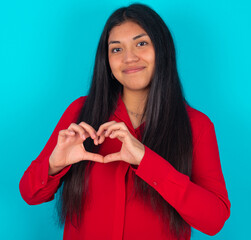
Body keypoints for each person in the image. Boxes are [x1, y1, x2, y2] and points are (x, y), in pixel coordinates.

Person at [19, 3, 230, 240]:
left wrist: (146, 161)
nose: (129, 58)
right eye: (116, 49)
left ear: (162, 50)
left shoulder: (197, 126)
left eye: (141, 43)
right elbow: (30, 194)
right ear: (107, 62)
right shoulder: (81, 113)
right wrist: (53, 165)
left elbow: (214, 219)